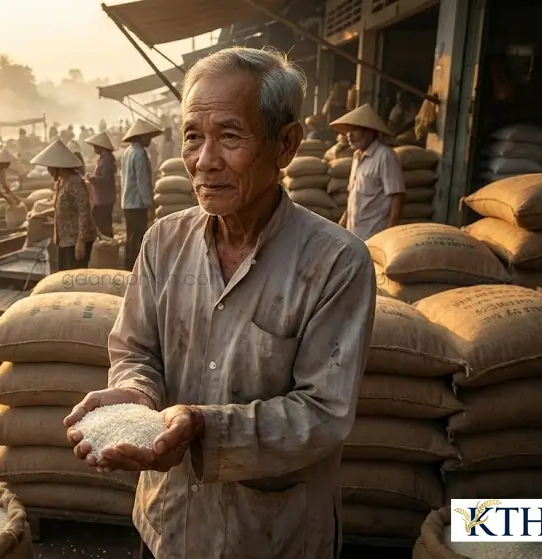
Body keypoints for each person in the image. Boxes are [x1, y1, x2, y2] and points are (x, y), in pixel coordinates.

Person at [63, 47, 376, 559]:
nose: (205, 161)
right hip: (166, 524)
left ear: (286, 144)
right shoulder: (163, 242)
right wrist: (137, 395)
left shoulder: (336, 262)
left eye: (230, 136)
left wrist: (204, 426)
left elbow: (325, 411)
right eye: (192, 136)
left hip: (267, 537)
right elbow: (136, 350)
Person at [334, 104, 406, 240]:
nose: (349, 135)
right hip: (355, 234)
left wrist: (390, 232)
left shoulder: (385, 156)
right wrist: (341, 226)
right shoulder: (356, 157)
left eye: (354, 130)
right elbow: (354, 198)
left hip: (375, 235)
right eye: (348, 130)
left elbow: (397, 195)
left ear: (369, 132)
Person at [31, 140, 97, 271]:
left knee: (75, 275)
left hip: (76, 240)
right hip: (64, 239)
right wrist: (39, 214)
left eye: (50, 168)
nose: (48, 171)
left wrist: (81, 241)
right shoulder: (60, 182)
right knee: (63, 274)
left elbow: (84, 212)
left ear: (59, 167)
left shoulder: (76, 182)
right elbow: (58, 208)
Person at [120, 118, 161, 270]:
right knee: (138, 238)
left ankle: (128, 266)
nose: (149, 140)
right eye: (147, 137)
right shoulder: (140, 154)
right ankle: (136, 268)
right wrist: (149, 204)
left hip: (127, 202)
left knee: (131, 237)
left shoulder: (127, 152)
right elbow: (142, 181)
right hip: (137, 203)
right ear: (140, 136)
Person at [84, 131, 117, 237]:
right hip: (103, 198)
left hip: (104, 198)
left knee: (103, 225)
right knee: (101, 223)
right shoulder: (104, 159)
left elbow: (104, 180)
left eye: (95, 146)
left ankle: (108, 244)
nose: (94, 149)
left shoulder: (106, 160)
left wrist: (92, 179)